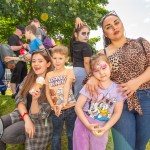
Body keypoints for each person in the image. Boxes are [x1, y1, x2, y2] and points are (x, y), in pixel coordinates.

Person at [85, 11, 150, 150]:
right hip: (120, 102)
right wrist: (91, 78)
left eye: (116, 23)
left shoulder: (141, 42)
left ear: (122, 24)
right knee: (124, 147)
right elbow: (95, 74)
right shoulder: (103, 53)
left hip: (147, 98)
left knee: (140, 146)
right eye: (108, 26)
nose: (114, 27)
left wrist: (136, 82)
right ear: (105, 33)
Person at [0, 49, 53, 150]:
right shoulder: (29, 78)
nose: (36, 64)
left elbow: (37, 115)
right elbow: (20, 99)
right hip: (22, 114)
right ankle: (24, 131)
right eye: (33, 61)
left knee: (7, 135)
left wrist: (34, 100)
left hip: (40, 122)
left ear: (48, 64)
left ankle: (26, 136)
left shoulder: (52, 84)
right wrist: (26, 119)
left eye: (40, 61)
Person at [73, 53, 125, 150]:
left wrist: (106, 128)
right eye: (96, 70)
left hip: (101, 127)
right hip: (82, 124)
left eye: (104, 68)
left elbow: (117, 113)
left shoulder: (118, 90)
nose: (101, 73)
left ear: (110, 66)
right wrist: (88, 125)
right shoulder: (90, 86)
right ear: (92, 72)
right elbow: (78, 107)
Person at [45, 45, 76, 150]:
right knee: (56, 135)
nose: (57, 61)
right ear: (51, 59)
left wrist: (65, 101)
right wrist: (52, 106)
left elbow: (67, 85)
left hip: (70, 108)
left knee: (71, 134)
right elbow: (47, 93)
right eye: (54, 58)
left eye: (60, 58)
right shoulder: (48, 75)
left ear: (66, 59)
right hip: (56, 110)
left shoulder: (69, 72)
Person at [70, 18, 93, 100]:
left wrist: (76, 20)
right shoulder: (86, 46)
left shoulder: (73, 44)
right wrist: (91, 76)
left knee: (77, 94)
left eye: (88, 33)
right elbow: (86, 63)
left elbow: (72, 37)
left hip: (75, 71)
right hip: (83, 71)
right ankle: (79, 112)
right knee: (83, 96)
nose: (86, 36)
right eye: (83, 33)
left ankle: (77, 111)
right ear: (76, 34)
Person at [8, 25, 28, 98]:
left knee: (24, 76)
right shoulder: (12, 37)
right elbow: (12, 48)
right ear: (18, 30)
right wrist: (23, 46)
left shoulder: (22, 40)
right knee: (15, 75)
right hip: (15, 60)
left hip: (23, 60)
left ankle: (21, 92)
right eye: (22, 31)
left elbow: (24, 49)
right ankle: (13, 93)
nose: (23, 33)